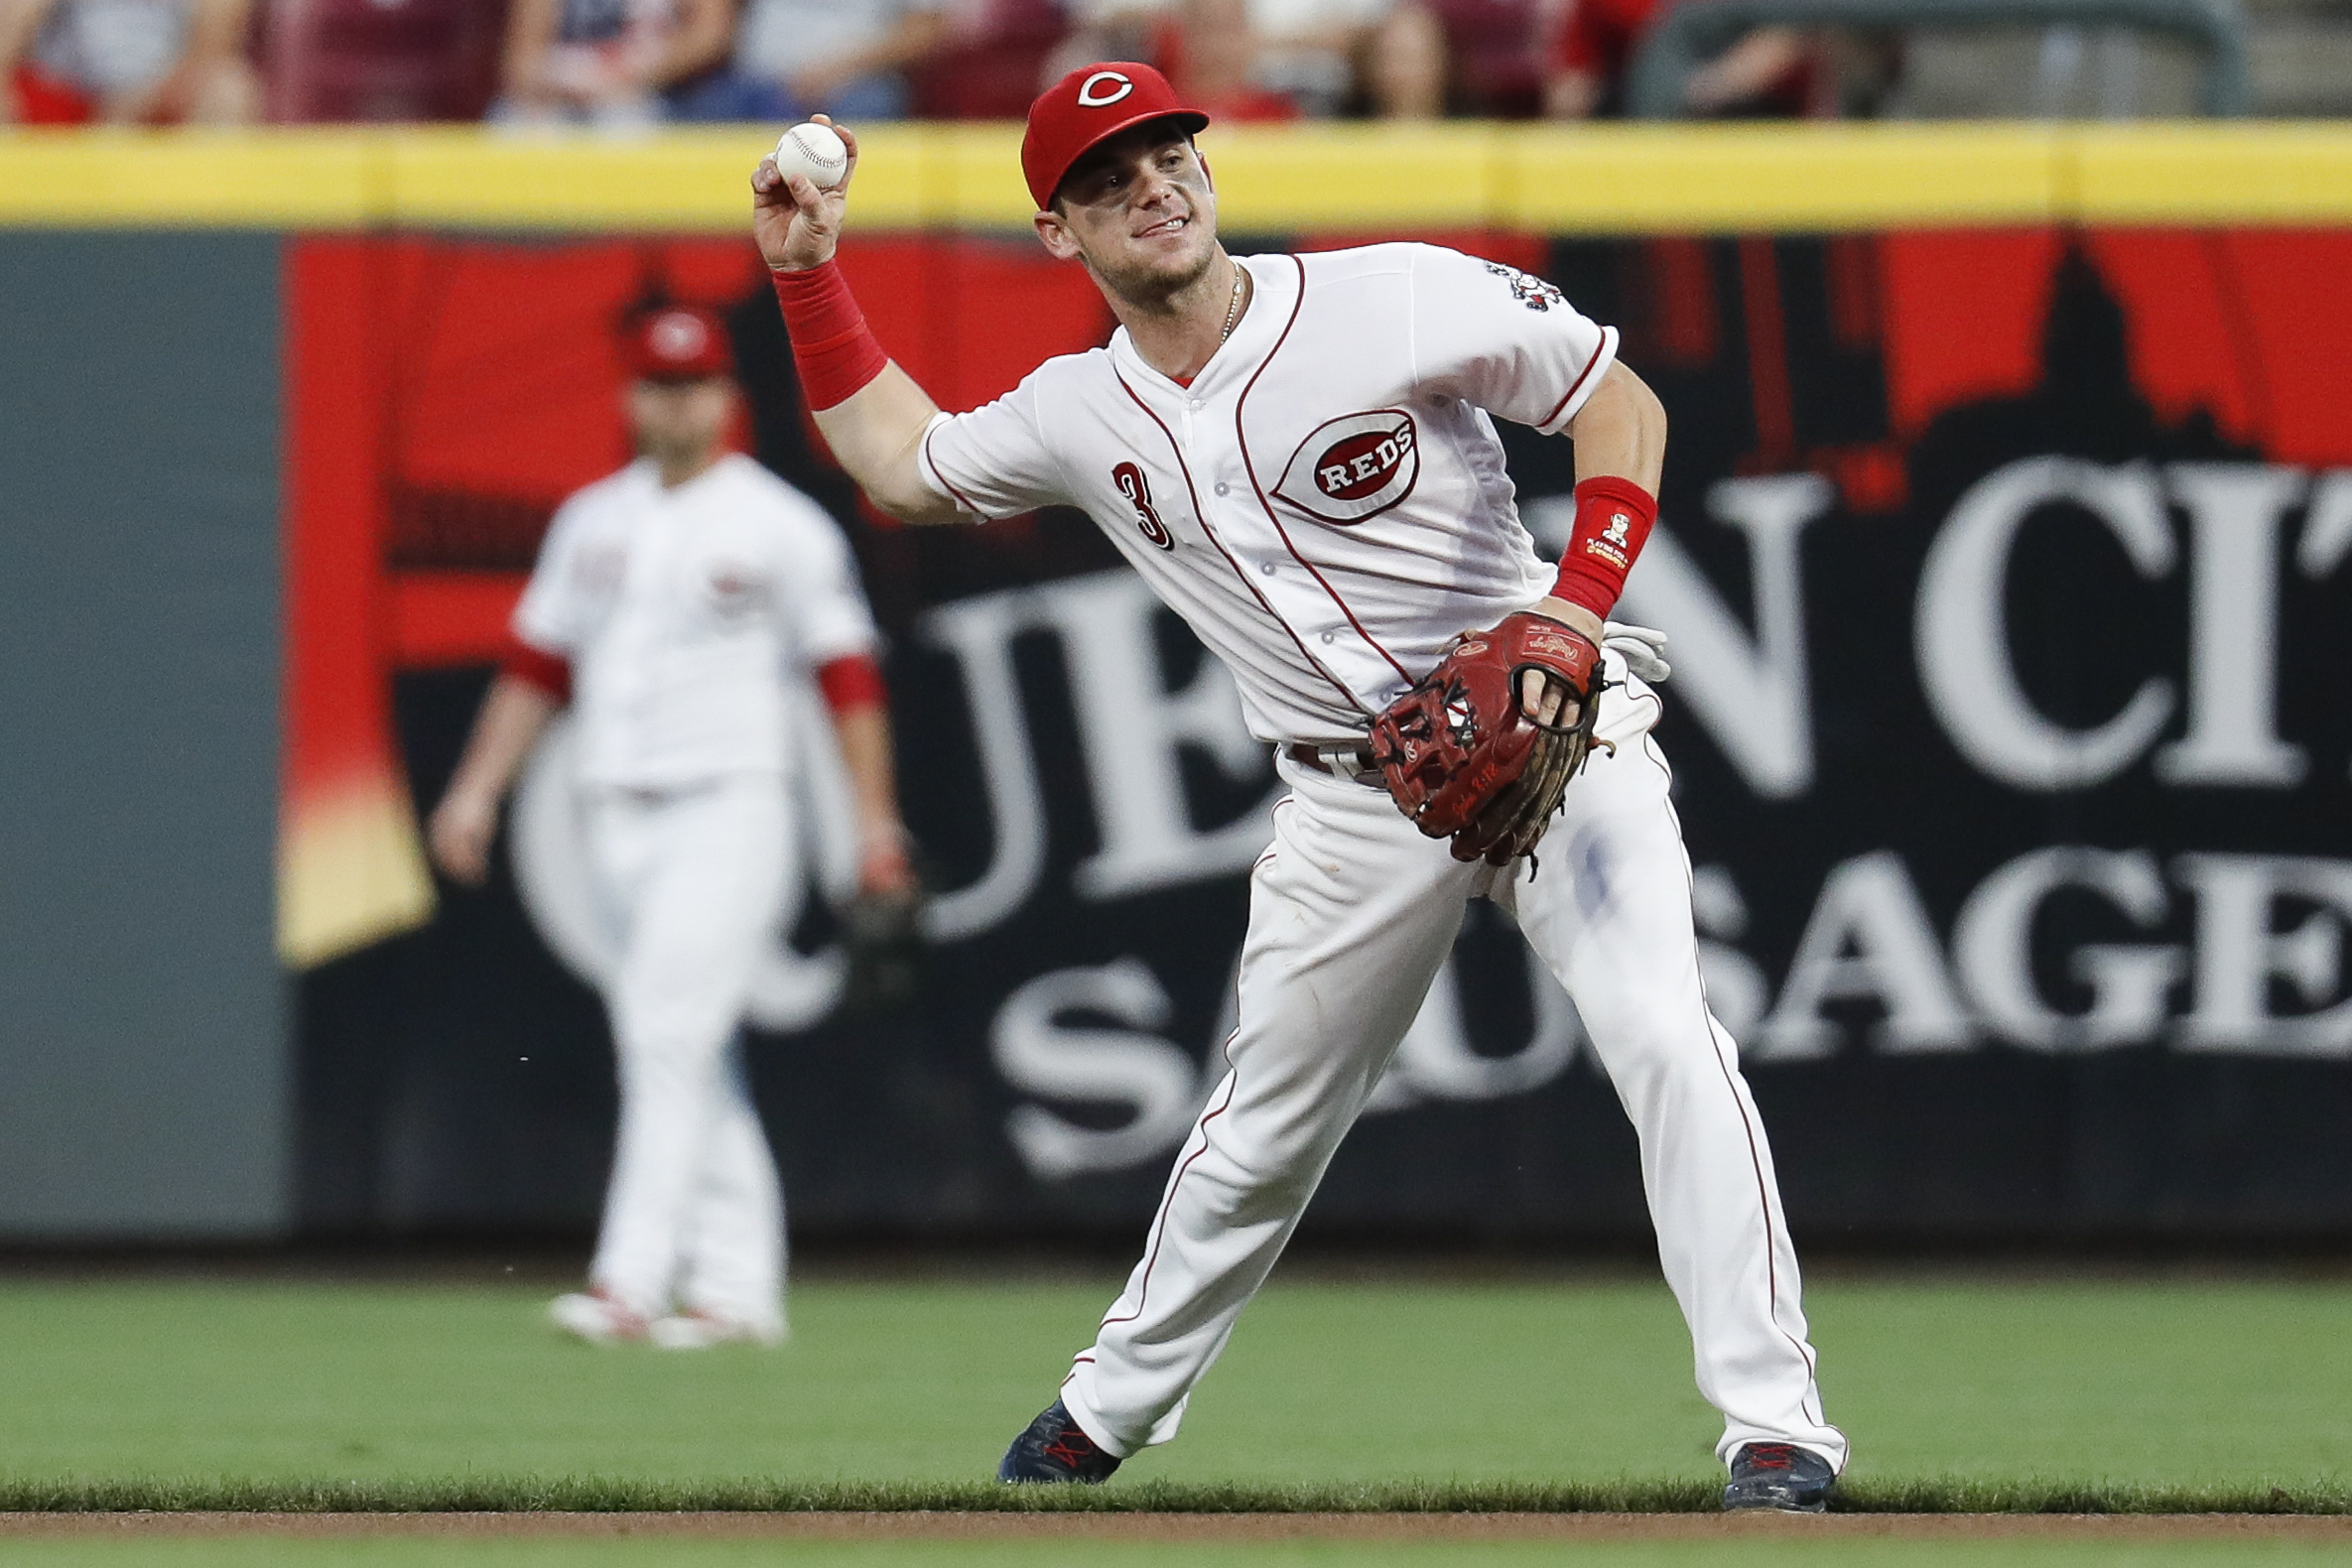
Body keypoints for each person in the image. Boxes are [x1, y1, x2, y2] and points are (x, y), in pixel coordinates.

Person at [750, 67, 1846, 1508]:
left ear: (1206, 171)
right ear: (1058, 234)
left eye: (1167, 151)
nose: (1152, 184)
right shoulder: (1081, 410)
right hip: (1350, 799)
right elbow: (896, 467)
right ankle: (1104, 1408)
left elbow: (1614, 403)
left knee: (1663, 1036)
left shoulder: (1383, 298)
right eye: (1106, 177)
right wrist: (810, 275)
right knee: (1263, 1125)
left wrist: (1574, 611)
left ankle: (1775, 1429)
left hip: (1554, 736)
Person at [427, 304, 916, 1349]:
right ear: (630, 393)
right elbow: (536, 666)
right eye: (658, 382)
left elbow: (848, 678)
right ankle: (740, 1291)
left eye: (694, 384)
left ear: (727, 398)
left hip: (732, 803)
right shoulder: (593, 520)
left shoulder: (779, 522)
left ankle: (629, 1281)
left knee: (663, 1031)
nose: (676, 401)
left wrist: (874, 825)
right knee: (690, 1047)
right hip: (616, 813)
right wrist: (476, 787)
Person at [492, 0, 735, 131]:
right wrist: (570, 80)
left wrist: (628, 75)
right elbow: (521, 64)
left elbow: (710, 37)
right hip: (562, 99)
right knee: (518, 127)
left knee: (625, 129)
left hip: (660, 97)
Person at [0, 0, 256, 124]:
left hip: (155, 91)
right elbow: (15, 18)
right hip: (62, 91)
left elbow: (214, 44)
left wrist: (153, 94)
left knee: (228, 93)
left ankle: (208, 224)